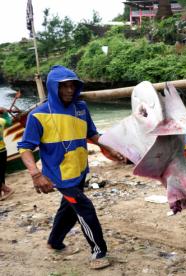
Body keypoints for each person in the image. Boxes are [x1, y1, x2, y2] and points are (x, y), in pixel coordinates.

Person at [18, 65, 125, 270]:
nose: (69, 90)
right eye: (63, 86)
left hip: (80, 169)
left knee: (68, 208)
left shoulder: (81, 108)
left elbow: (92, 134)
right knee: (85, 208)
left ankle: (54, 242)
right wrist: (35, 174)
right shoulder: (38, 115)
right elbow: (25, 148)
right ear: (52, 88)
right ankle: (99, 252)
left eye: (72, 86)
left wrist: (110, 148)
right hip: (59, 176)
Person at [0, 106, 14, 201]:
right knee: (1, 173)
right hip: (3, 150)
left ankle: (7, 190)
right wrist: (5, 113)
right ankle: (2, 193)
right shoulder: (1, 121)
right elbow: (9, 121)